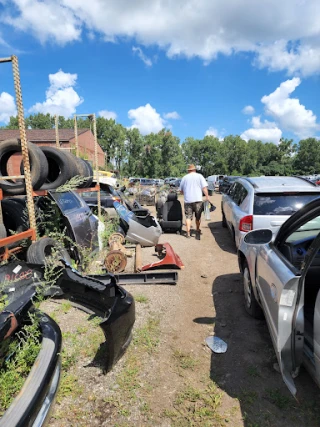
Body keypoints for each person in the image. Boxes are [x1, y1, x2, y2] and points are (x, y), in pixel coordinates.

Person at [179, 164, 210, 238]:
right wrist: (207, 197)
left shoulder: (184, 178)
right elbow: (204, 188)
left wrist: (185, 194)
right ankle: (197, 229)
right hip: (198, 200)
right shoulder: (200, 176)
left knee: (188, 217)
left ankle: (188, 232)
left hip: (188, 200)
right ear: (195, 170)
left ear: (188, 170)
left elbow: (181, 191)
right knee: (198, 216)